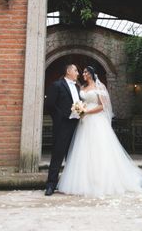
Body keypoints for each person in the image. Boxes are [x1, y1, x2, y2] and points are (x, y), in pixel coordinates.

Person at [57, 65, 142, 197]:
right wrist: (79, 109)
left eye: (86, 72)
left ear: (92, 73)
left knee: (99, 149)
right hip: (84, 122)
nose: (83, 74)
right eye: (83, 72)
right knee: (84, 150)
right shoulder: (82, 88)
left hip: (96, 120)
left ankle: (101, 181)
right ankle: (84, 181)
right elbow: (78, 102)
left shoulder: (100, 87)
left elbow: (102, 106)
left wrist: (87, 111)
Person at [44, 63, 81, 196]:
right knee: (58, 155)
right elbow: (50, 105)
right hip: (62, 125)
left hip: (76, 125)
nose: (78, 73)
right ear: (68, 71)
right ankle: (50, 185)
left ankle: (72, 184)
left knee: (73, 155)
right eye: (76, 70)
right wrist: (60, 118)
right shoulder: (57, 85)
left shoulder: (77, 87)